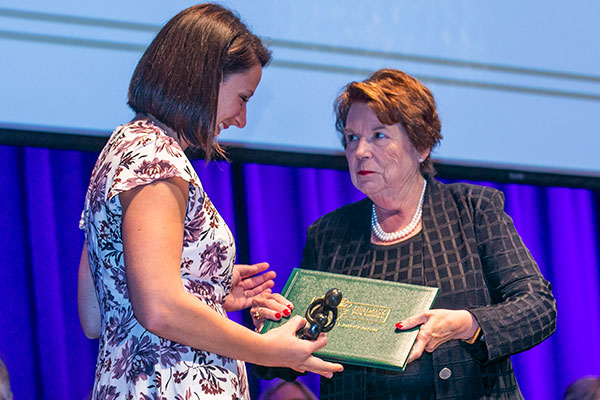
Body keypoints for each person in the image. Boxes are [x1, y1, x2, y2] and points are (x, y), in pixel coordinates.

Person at [77, 4, 342, 399]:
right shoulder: (156, 159)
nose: (241, 118)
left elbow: (96, 315)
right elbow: (160, 309)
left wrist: (207, 287)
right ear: (203, 80)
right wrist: (268, 348)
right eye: (243, 97)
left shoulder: (124, 147)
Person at [290, 68, 556, 399]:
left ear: (422, 144)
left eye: (379, 135)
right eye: (351, 138)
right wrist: (276, 324)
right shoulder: (328, 235)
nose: (360, 152)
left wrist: (469, 324)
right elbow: (296, 353)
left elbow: (538, 306)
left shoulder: (473, 210)